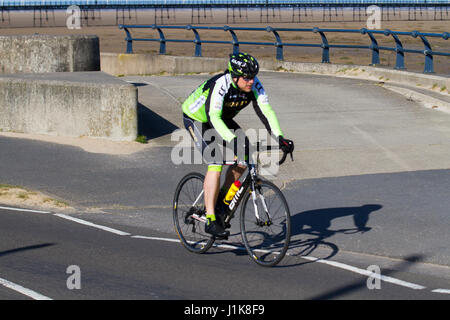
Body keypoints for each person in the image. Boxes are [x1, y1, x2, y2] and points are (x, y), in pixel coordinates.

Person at [182, 52, 294, 238]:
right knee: (215, 160)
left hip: (222, 119)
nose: (251, 81)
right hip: (197, 118)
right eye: (247, 77)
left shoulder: (254, 85)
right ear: (235, 76)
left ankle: (222, 200)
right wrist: (232, 141)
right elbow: (213, 117)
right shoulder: (221, 84)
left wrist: (280, 137)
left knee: (244, 158)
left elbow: (266, 111)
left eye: (253, 77)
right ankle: (210, 218)